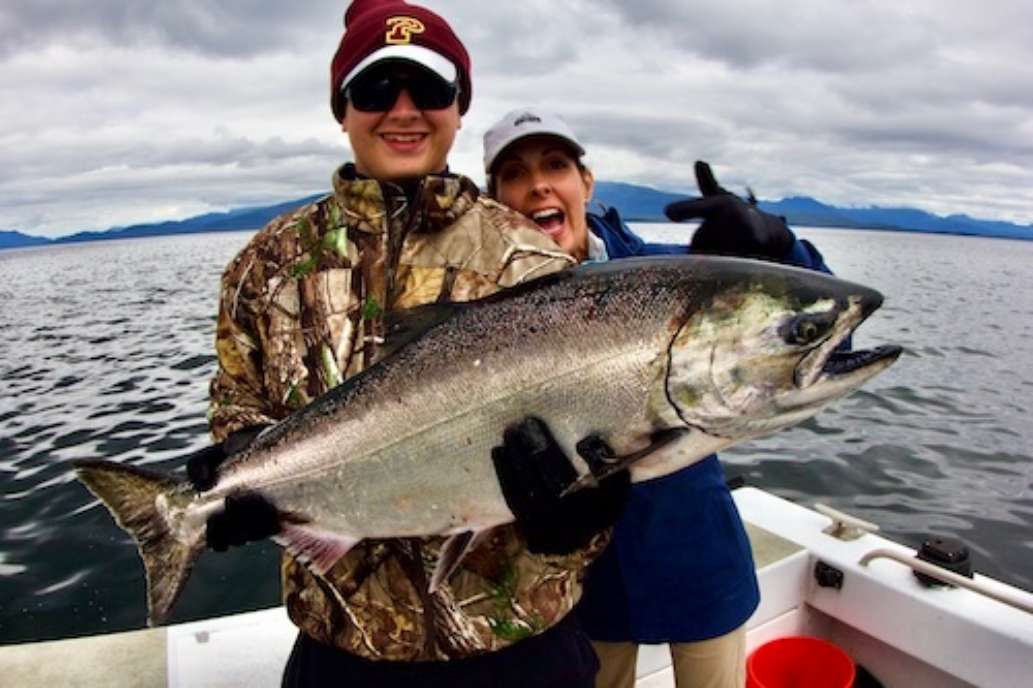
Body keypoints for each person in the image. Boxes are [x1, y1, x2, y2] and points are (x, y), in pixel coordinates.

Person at [184, 4, 630, 686]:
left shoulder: (532, 263)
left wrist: (580, 520)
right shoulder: (266, 265)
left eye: (427, 90)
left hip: (521, 650)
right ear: (342, 109)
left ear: (458, 109)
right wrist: (243, 466)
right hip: (340, 653)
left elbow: (600, 434)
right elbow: (236, 399)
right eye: (374, 90)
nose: (402, 111)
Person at [482, 108, 833, 688]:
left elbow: (799, 326)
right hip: (583, 586)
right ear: (495, 200)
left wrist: (776, 250)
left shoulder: (657, 276)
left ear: (585, 184)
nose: (538, 183)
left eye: (555, 164)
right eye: (515, 174)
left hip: (699, 561)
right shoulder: (487, 313)